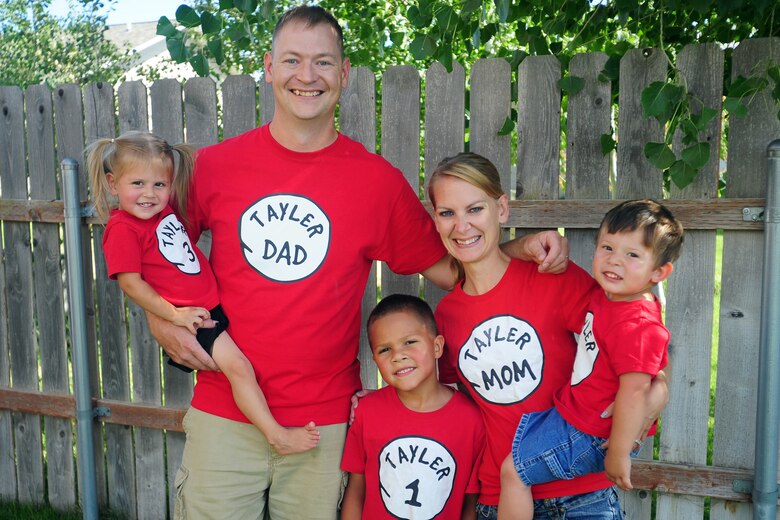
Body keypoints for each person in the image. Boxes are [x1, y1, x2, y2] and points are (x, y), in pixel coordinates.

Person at [146, 6, 568, 519]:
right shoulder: (213, 168)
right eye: (292, 60)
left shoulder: (376, 183)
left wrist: (518, 249)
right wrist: (159, 320)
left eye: (323, 62)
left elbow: (454, 268)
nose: (307, 75)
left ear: (344, 73)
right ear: (269, 67)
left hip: (322, 426)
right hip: (225, 410)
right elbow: (154, 253)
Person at [429, 153, 670, 520]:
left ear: (501, 209)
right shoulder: (448, 314)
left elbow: (634, 341)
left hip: (581, 494)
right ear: (435, 219)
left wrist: (658, 390)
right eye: (447, 213)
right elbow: (448, 401)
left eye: (475, 209)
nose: (462, 226)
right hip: (499, 496)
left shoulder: (553, 279)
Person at [85, 131, 320, 456]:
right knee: (239, 368)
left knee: (247, 364)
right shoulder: (124, 229)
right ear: (113, 185)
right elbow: (131, 284)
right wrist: (175, 315)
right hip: (193, 317)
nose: (149, 194)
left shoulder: (161, 214)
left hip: (206, 306)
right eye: (137, 183)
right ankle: (275, 434)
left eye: (159, 184)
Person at [497, 199, 683, 519]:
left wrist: (619, 454)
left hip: (591, 431)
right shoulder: (609, 297)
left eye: (632, 255)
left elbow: (635, 391)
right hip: (575, 417)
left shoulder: (636, 324)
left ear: (659, 271)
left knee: (513, 472)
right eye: (607, 248)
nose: (615, 261)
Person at [341, 294, 485, 520]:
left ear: (437, 346)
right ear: (375, 360)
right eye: (384, 349)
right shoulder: (367, 412)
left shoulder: (471, 420)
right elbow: (356, 490)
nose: (398, 355)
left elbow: (469, 504)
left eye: (409, 342)